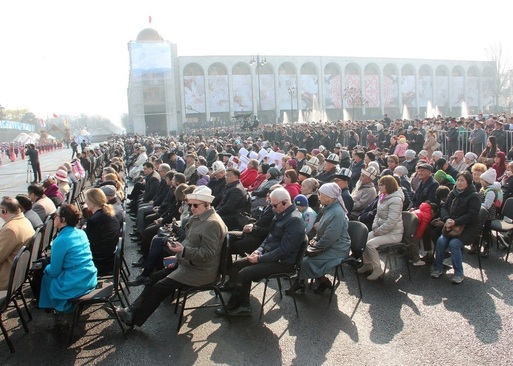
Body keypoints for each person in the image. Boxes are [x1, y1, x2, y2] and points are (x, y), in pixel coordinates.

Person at [115, 186, 227, 327]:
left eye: (195, 205)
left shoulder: (212, 224)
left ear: (207, 205)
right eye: (189, 204)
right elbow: (190, 241)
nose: (191, 208)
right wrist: (178, 252)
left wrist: (183, 250)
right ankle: (131, 310)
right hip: (189, 264)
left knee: (159, 287)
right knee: (154, 278)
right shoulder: (199, 217)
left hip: (200, 272)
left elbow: (207, 254)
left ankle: (134, 319)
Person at [216, 188, 305, 317]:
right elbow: (269, 238)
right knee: (236, 266)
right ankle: (239, 296)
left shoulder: (294, 220)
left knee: (245, 273)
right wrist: (258, 251)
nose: (272, 208)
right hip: (272, 256)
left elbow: (284, 250)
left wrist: (260, 259)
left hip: (283, 262)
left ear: (285, 203)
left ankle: (241, 306)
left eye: (274, 205)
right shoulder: (281, 214)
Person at [38, 204, 98, 330]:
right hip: (89, 277)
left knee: (46, 277)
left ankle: (61, 313)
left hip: (76, 282)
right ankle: (61, 312)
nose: (54, 218)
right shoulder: (80, 232)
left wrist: (46, 268)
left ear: (63, 220)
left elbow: (54, 271)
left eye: (56, 216)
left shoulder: (60, 240)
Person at [287, 183, 351, 294]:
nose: (318, 196)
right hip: (327, 244)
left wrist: (316, 245)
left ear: (330, 197)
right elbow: (322, 229)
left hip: (338, 248)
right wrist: (315, 239)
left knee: (306, 261)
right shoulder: (328, 208)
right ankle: (314, 282)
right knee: (302, 255)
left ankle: (320, 282)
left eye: (321, 194)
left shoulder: (337, 213)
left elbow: (331, 237)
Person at [431, 171, 481, 284]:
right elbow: (444, 207)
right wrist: (447, 219)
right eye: (458, 180)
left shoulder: (474, 196)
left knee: (454, 244)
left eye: (462, 180)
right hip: (451, 225)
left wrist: (455, 221)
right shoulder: (453, 193)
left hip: (469, 227)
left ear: (468, 182)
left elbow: (471, 215)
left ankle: (458, 273)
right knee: (441, 241)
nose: (459, 182)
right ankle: (438, 267)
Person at [358, 175, 404, 280]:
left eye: (381, 184)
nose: (379, 186)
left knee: (370, 244)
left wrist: (379, 230)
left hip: (394, 233)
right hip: (382, 230)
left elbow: (392, 221)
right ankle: (367, 264)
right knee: (365, 238)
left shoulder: (396, 200)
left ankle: (377, 268)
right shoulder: (383, 197)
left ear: (389, 185)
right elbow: (377, 215)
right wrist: (375, 226)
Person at [0, 197, 35, 290]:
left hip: (5, 277)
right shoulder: (24, 221)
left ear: (4, 211)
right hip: (18, 274)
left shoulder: (10, 229)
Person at [84, 188, 120, 275]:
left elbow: (89, 244)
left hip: (100, 262)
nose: (85, 201)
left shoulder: (94, 220)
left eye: (87, 199)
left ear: (93, 201)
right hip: (110, 257)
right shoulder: (109, 213)